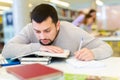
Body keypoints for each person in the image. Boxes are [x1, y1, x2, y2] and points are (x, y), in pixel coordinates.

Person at [1, 4, 113, 61]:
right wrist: (38, 47)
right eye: (37, 31)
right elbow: (7, 51)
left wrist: (93, 54)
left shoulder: (72, 31)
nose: (42, 36)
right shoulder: (29, 29)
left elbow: (107, 48)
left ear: (57, 25)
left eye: (47, 30)